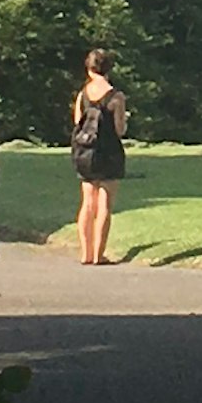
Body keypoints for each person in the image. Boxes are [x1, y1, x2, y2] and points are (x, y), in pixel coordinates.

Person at [69, 47, 131, 265]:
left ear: (89, 68)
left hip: (85, 152)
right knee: (104, 203)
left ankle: (85, 253)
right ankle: (98, 254)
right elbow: (120, 129)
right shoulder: (116, 96)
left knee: (87, 202)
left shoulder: (82, 94)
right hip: (108, 152)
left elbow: (78, 122)